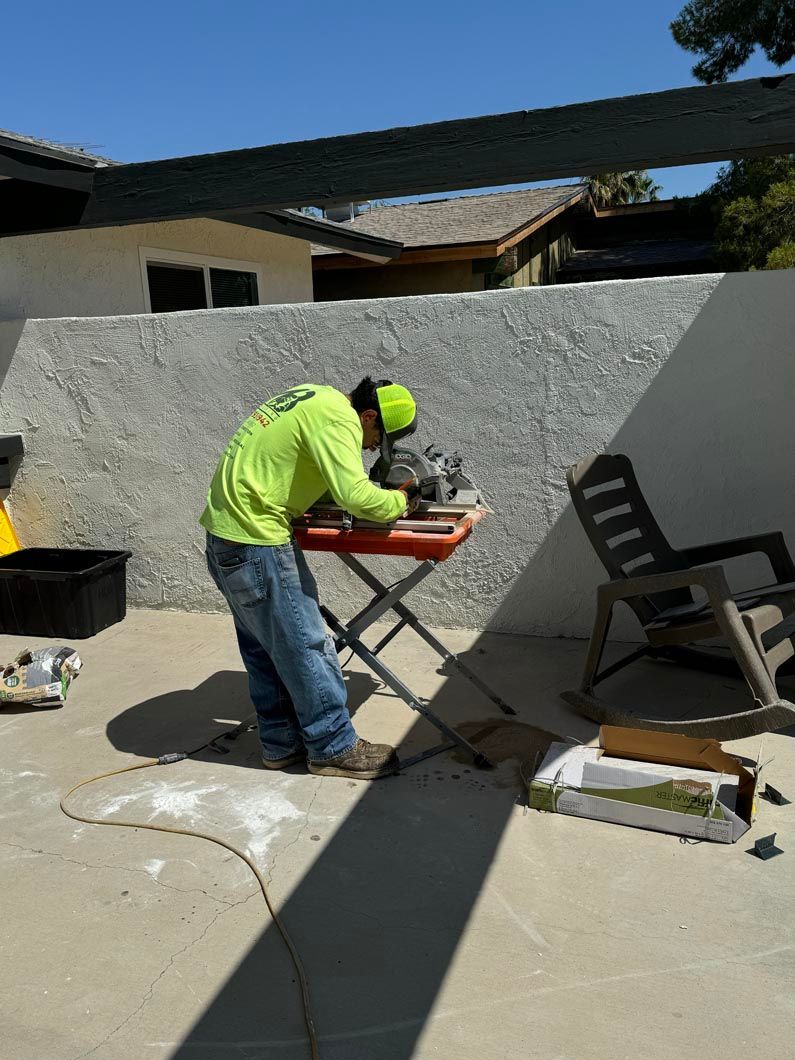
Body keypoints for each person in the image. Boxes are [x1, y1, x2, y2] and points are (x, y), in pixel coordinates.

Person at [199, 377, 418, 780]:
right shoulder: (340, 418)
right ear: (368, 416)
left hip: (226, 536)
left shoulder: (315, 396)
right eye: (376, 439)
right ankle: (332, 746)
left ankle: (280, 744)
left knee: (265, 647)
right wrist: (400, 500)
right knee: (305, 644)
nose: (371, 448)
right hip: (256, 539)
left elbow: (303, 468)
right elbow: (357, 496)